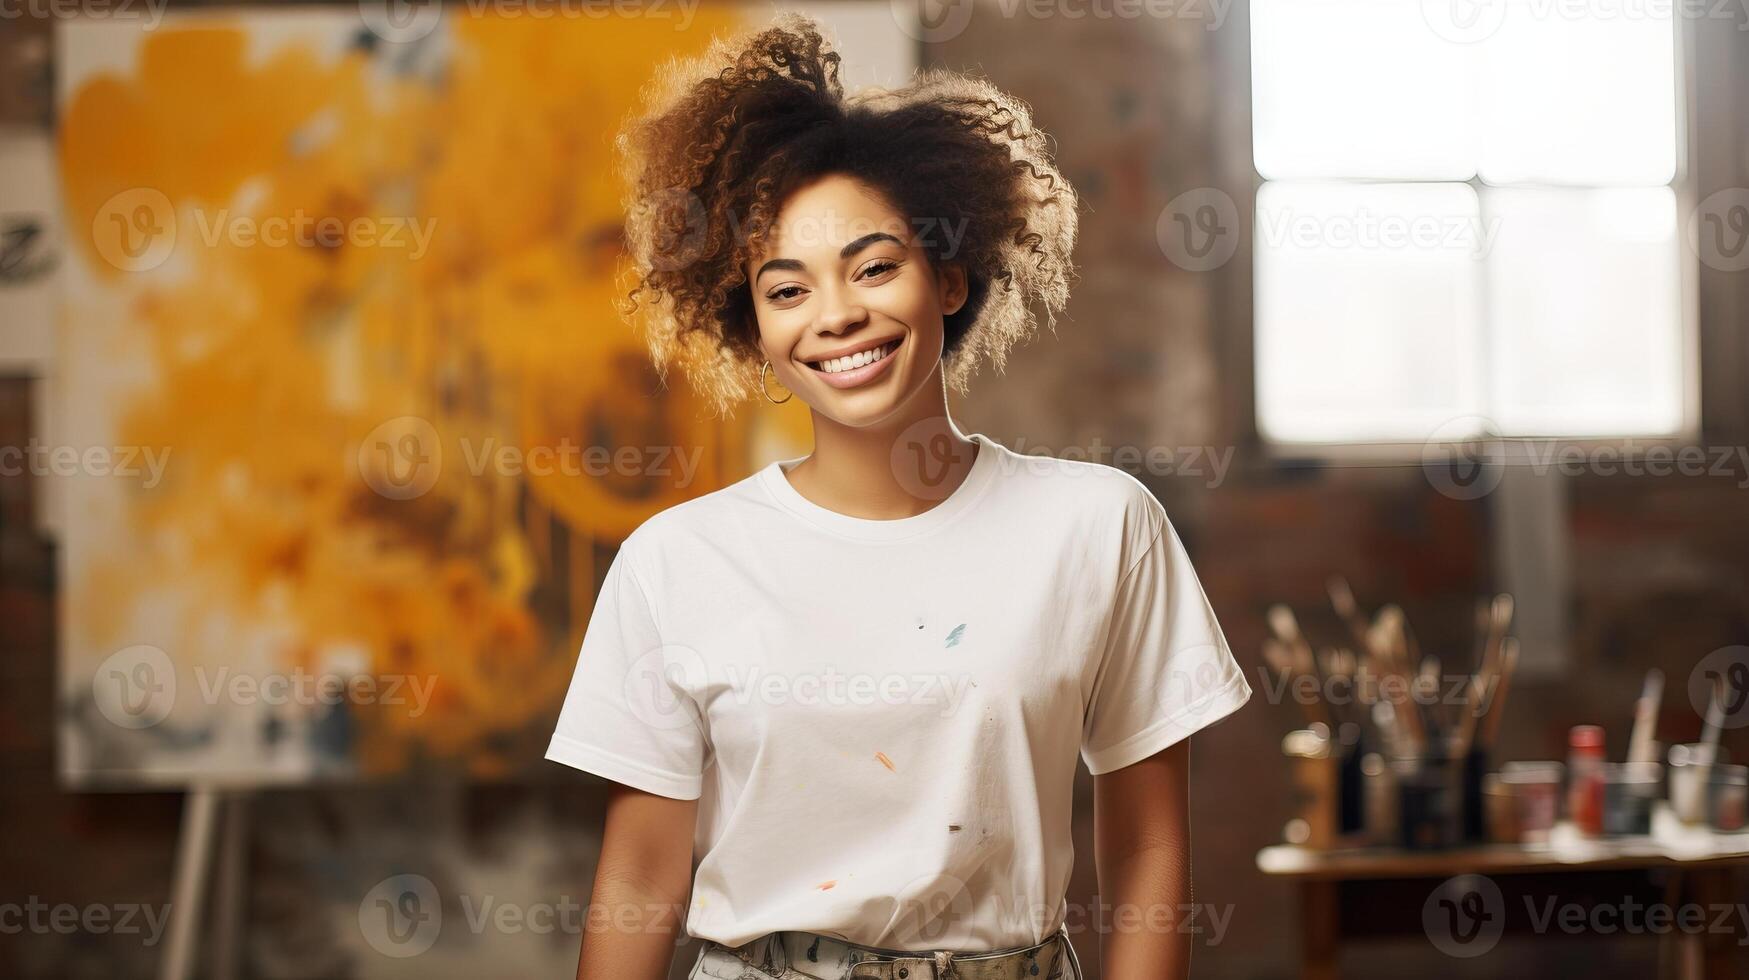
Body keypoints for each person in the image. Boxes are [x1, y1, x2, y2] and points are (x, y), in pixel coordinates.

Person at [546, 14, 1252, 979]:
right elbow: (641, 871)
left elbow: (1147, 852)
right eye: (785, 289)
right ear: (749, 325)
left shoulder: (1097, 526)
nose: (837, 315)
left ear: (949, 276)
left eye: (873, 267)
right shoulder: (677, 561)